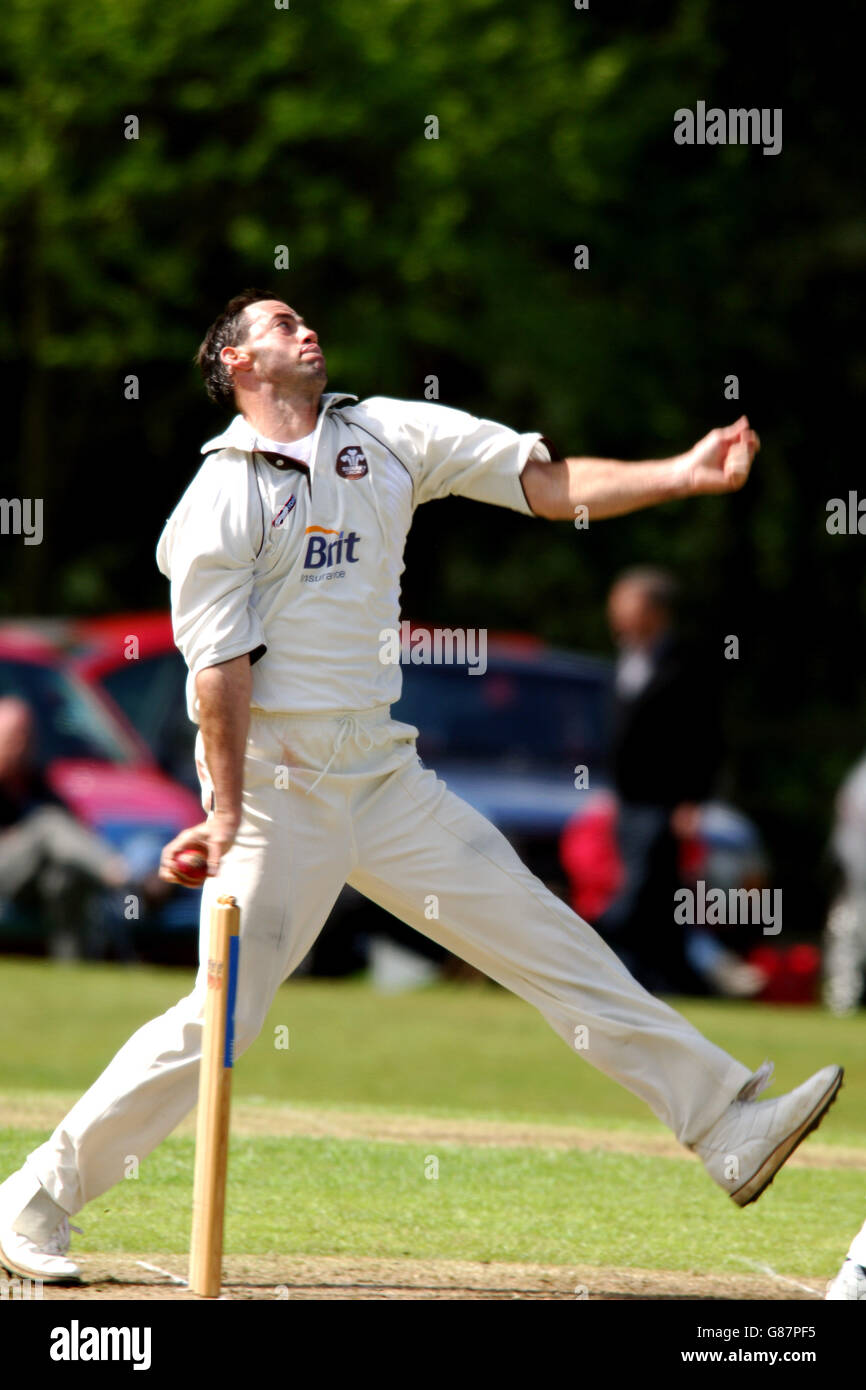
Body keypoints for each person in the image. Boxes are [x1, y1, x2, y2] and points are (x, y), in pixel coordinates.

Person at [0, 289, 842, 1284]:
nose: (304, 327)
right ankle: (35, 1199)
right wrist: (224, 811)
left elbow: (541, 480)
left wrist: (681, 473)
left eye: (305, 317)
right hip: (280, 792)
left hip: (385, 781)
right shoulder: (217, 501)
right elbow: (217, 672)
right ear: (235, 364)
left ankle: (722, 1124)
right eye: (277, 324)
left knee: (546, 935)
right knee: (215, 1019)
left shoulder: (386, 433)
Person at [593, 568, 762, 996]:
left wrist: (693, 799)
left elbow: (706, 737)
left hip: (666, 801)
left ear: (655, 610)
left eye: (626, 606)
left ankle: (625, 970)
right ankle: (657, 976)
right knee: (651, 889)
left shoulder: (687, 663)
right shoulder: (627, 660)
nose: (617, 617)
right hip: (627, 800)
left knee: (646, 888)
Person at [0, 696, 129, 958]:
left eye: (27, 737)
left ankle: (73, 969)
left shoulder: (35, 781)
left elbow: (75, 828)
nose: (22, 746)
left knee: (63, 878)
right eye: (13, 738)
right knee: (48, 824)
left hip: (32, 879)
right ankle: (120, 875)